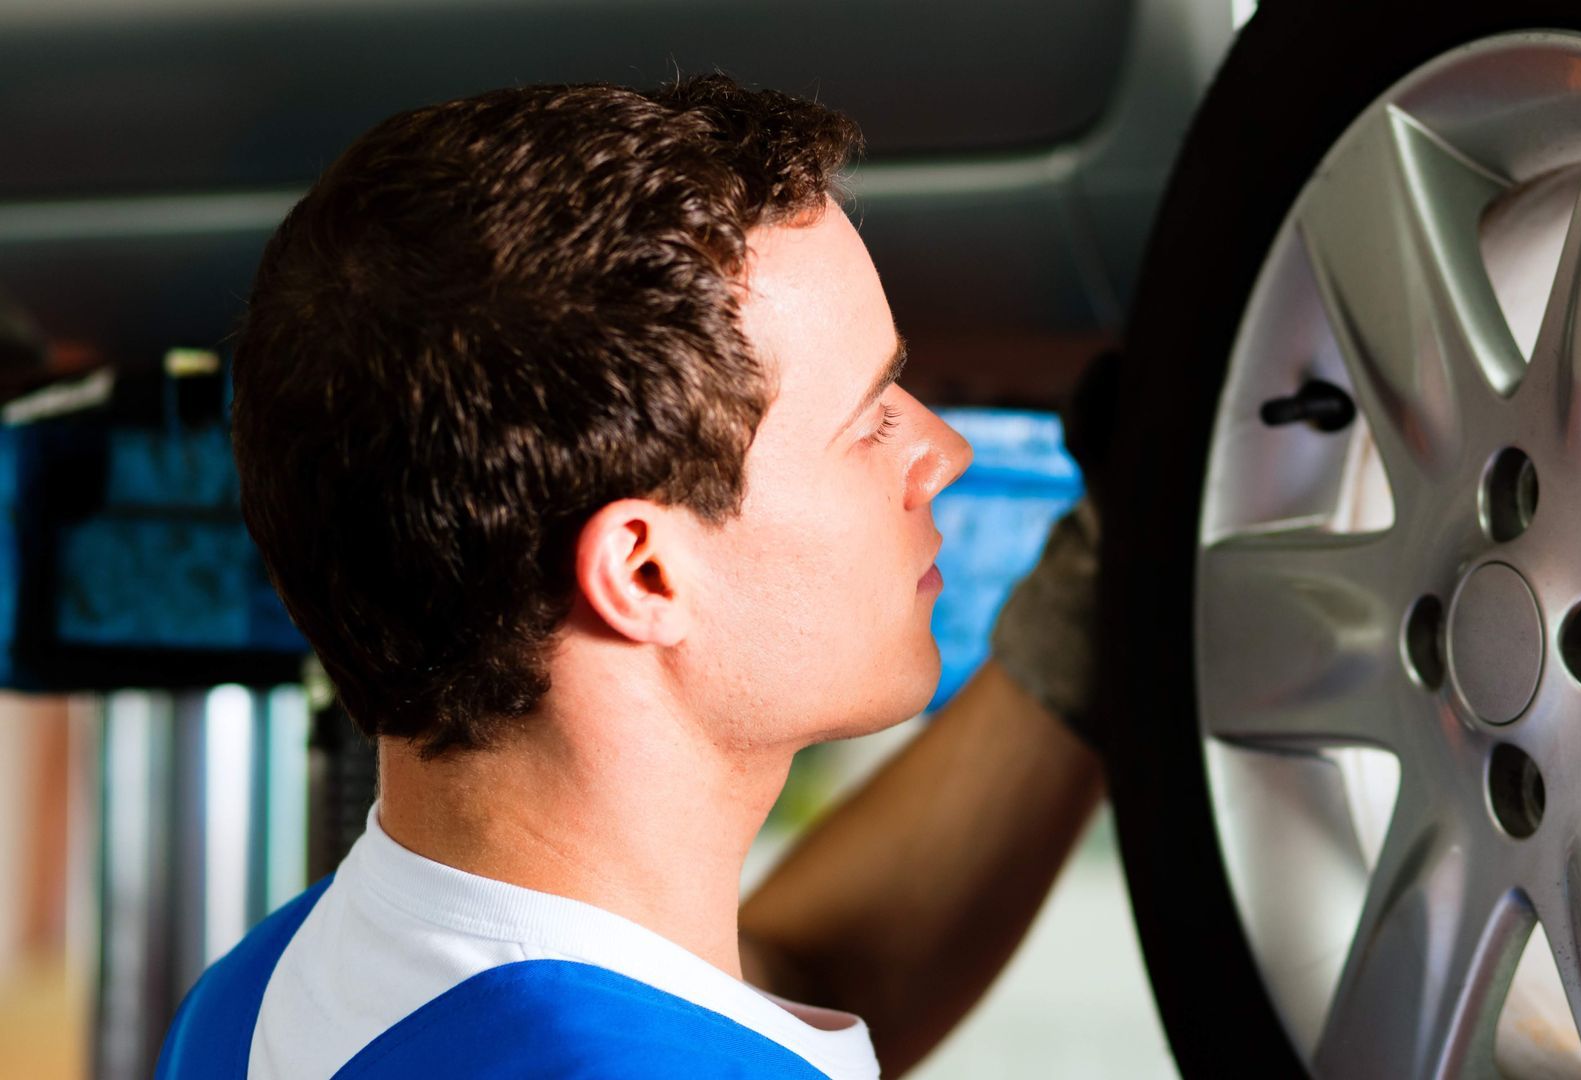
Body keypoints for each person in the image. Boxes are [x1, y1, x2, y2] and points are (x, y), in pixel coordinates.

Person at [155, 75, 1106, 1079]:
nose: (944, 450)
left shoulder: (257, 997)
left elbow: (754, 993)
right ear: (645, 573)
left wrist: (1097, 600)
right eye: (870, 418)